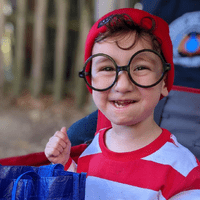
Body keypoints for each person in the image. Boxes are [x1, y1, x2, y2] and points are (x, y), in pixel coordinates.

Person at [45, 8, 200, 199]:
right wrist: (65, 165)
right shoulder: (91, 149)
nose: (123, 84)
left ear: (164, 83)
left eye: (141, 67)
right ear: (90, 82)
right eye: (107, 68)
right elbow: (86, 192)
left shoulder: (182, 169)